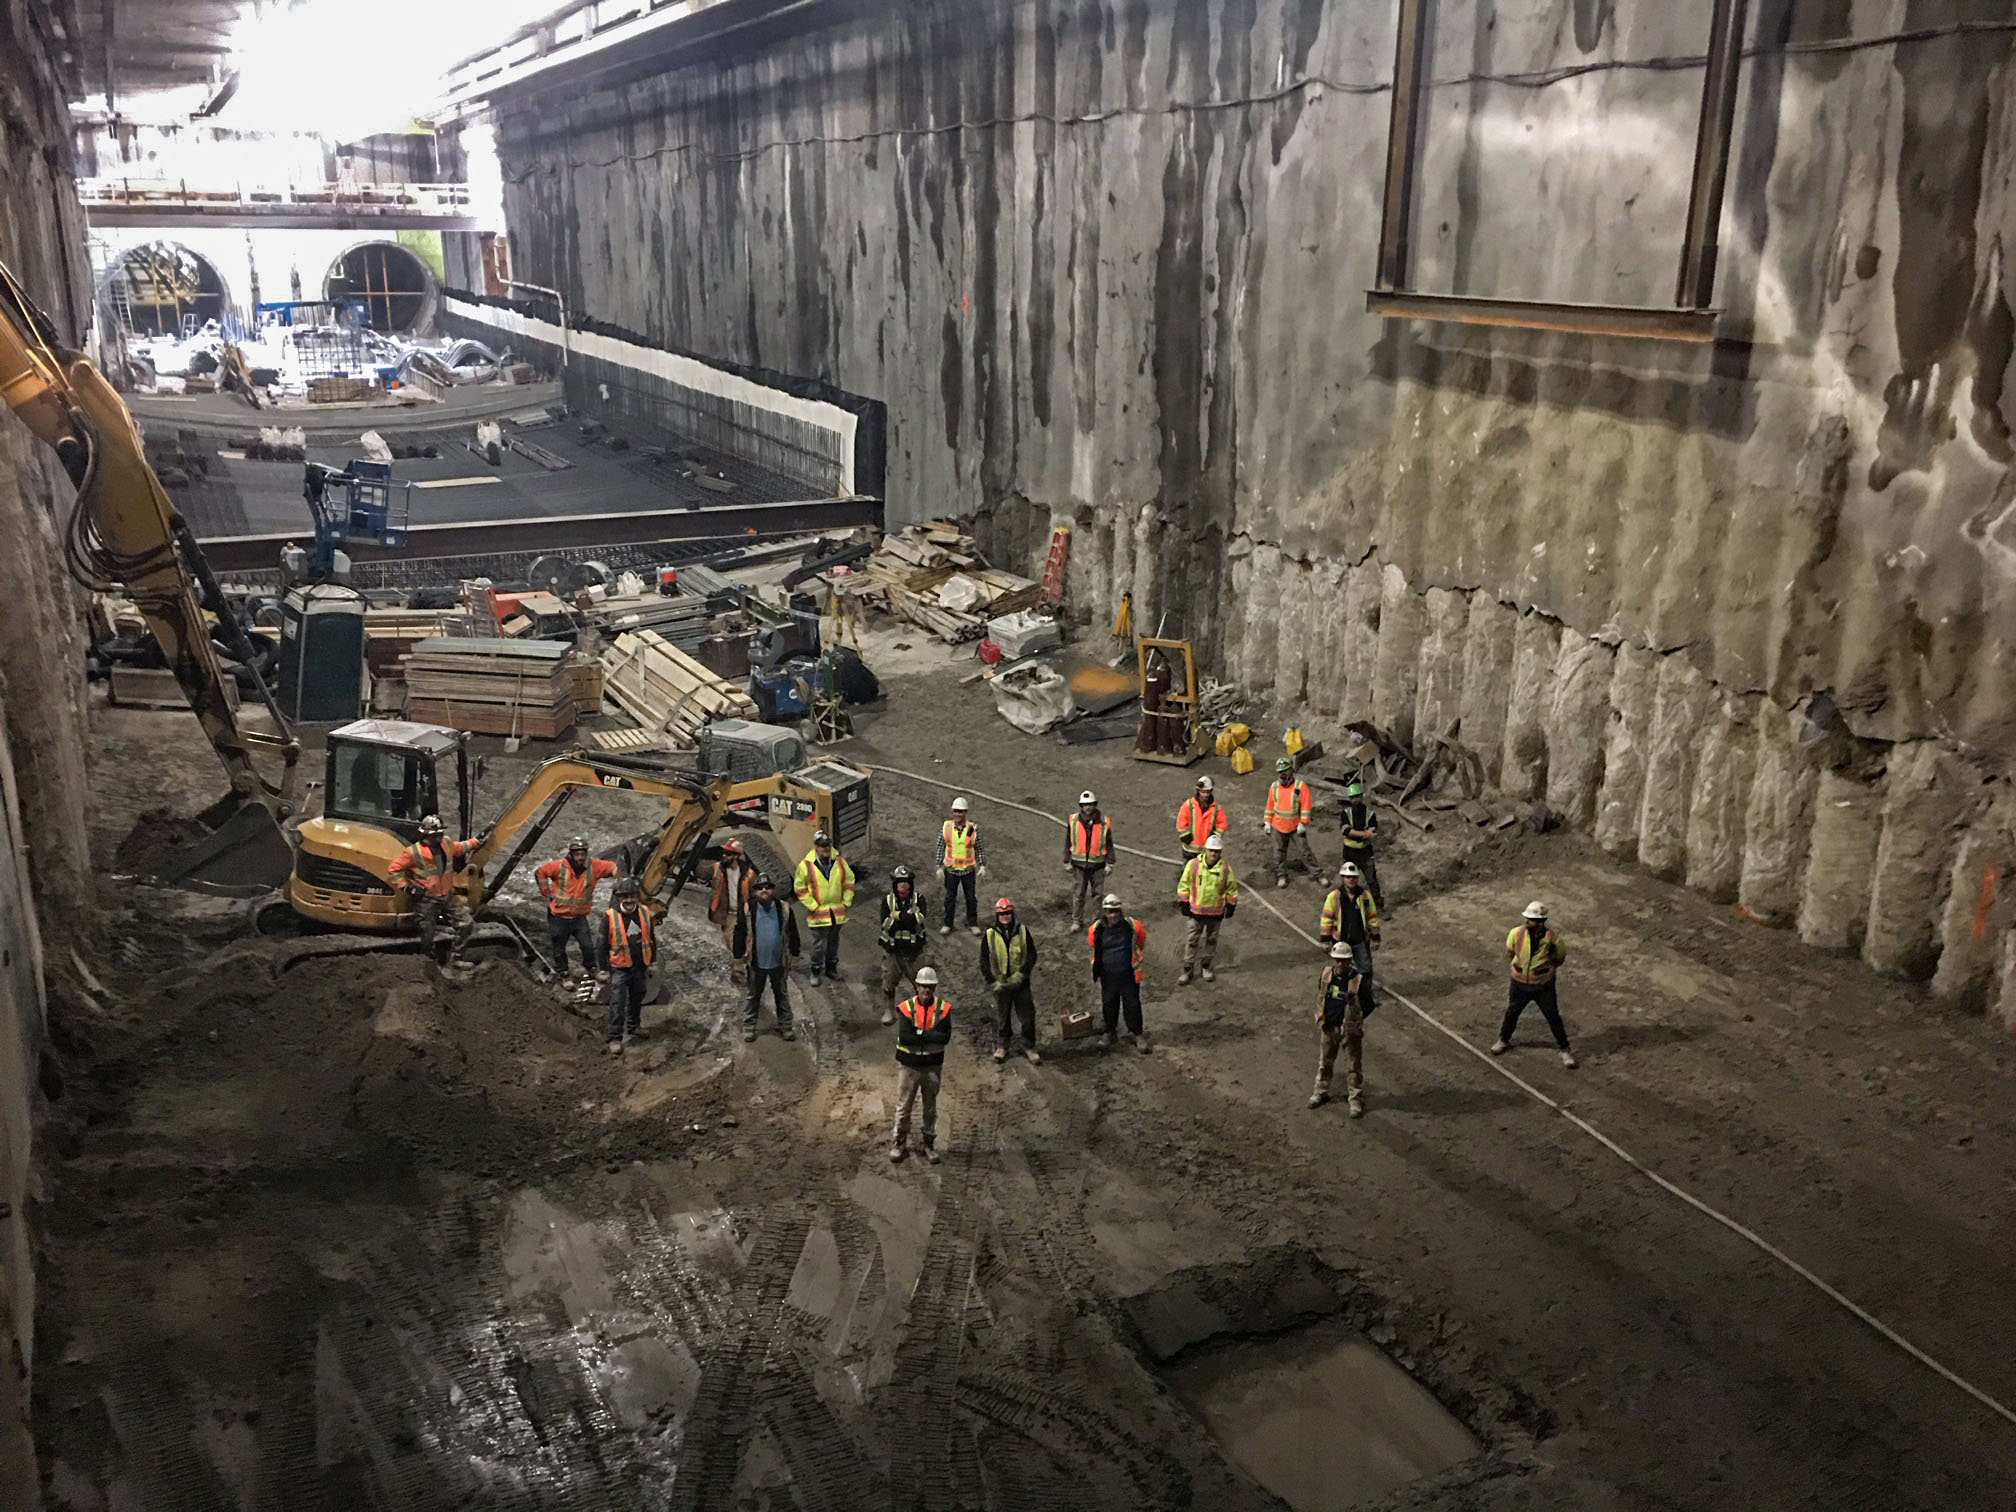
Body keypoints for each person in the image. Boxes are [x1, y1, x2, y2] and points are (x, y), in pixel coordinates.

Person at [387, 813, 487, 966]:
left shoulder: (446, 844)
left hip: (447, 895)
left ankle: (456, 959)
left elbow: (460, 848)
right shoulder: (413, 852)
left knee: (466, 923)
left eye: (440, 834)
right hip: (426, 899)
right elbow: (394, 869)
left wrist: (477, 841)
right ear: (425, 834)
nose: (439, 837)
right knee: (427, 933)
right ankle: (429, 962)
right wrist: (407, 887)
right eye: (435, 835)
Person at [1494, 900, 1576, 1067]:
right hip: (1519, 984)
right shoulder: (1516, 933)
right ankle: (1504, 1040)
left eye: (1530, 919)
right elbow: (1510, 952)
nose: (1526, 921)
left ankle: (1564, 1049)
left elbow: (1559, 958)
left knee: (1552, 1016)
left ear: (1540, 922)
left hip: (1542, 986)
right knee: (1512, 1012)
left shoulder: (1553, 940)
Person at [534, 836, 619, 977]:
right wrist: (546, 891)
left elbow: (612, 867)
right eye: (577, 854)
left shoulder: (594, 866)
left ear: (586, 853)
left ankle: (591, 967)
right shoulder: (559, 866)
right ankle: (563, 972)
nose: (580, 857)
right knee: (559, 948)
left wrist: (618, 875)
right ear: (571, 854)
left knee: (587, 946)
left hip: (579, 917)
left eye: (582, 854)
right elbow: (540, 872)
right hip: (558, 917)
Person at [891, 966, 951, 1164]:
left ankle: (929, 1144)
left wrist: (919, 1034)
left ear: (934, 988)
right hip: (909, 1066)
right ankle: (899, 1142)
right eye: (923, 987)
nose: (926, 991)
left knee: (930, 1108)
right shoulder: (906, 1008)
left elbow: (945, 1037)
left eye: (930, 987)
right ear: (916, 987)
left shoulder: (943, 1008)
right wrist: (928, 1036)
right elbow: (906, 1038)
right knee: (904, 1107)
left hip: (932, 1066)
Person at [733, 875, 800, 1042]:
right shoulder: (749, 909)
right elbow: (740, 931)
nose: (764, 890)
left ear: (772, 889)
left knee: (782, 995)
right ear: (755, 891)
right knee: (753, 995)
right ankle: (749, 1027)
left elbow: (792, 930)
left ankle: (786, 1026)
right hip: (756, 962)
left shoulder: (784, 908)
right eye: (760, 887)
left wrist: (795, 951)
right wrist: (738, 952)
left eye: (767, 887)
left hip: (778, 962)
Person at [1309, 941, 1370, 1116]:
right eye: (1338, 960)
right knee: (1325, 1062)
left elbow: (1367, 1004)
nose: (1340, 964)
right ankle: (1320, 1091)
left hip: (1350, 1032)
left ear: (1350, 960)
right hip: (1328, 1026)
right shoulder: (1326, 974)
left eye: (1344, 961)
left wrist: (1353, 1022)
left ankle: (1355, 1099)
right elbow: (1321, 994)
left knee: (1353, 1066)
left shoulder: (1359, 981)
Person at [597, 877, 655, 1054]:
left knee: (637, 997)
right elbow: (600, 945)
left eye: (632, 896)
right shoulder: (610, 916)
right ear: (619, 898)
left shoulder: (645, 912)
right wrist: (604, 969)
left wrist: (653, 962)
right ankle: (615, 1037)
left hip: (639, 966)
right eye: (625, 897)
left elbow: (651, 939)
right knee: (618, 1002)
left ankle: (634, 1026)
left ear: (637, 897)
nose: (629, 901)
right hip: (620, 967)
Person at [981, 896, 1041, 1064]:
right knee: (1003, 1017)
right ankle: (1003, 1046)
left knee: (1027, 1016)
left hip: (1021, 984)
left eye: (1007, 913)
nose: (1005, 917)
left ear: (1012, 913)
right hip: (1002, 985)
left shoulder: (1022, 931)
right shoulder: (990, 935)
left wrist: (1022, 974)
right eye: (1002, 914)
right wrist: (993, 982)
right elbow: (984, 961)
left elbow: (1031, 955)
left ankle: (1029, 1046)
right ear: (997, 916)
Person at [1087, 892, 1149, 1052]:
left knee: (1132, 1004)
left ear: (1120, 910)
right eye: (1110, 912)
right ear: (1104, 912)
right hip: (1107, 975)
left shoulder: (1133, 926)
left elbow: (1140, 941)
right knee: (1109, 1004)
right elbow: (1093, 945)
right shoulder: (1096, 929)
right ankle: (1109, 1031)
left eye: (1116, 911)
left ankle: (1137, 1033)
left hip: (1128, 974)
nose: (1113, 915)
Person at [1318, 861, 1382, 1013]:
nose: (1350, 880)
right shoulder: (1334, 897)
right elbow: (1326, 918)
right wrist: (1325, 939)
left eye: (1353, 877)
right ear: (1342, 878)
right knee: (1343, 970)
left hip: (1359, 940)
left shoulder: (1365, 897)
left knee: (1365, 970)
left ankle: (1366, 999)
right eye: (1347, 877)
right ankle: (1343, 997)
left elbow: (1372, 917)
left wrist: (1375, 936)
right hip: (1341, 941)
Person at [793, 829, 855, 983]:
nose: (825, 849)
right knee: (818, 946)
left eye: (827, 845)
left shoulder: (839, 861)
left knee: (833, 944)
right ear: (816, 847)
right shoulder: (805, 865)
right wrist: (813, 905)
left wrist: (846, 901)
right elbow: (799, 888)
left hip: (836, 913)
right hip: (818, 914)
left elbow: (849, 880)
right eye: (822, 846)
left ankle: (831, 968)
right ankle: (815, 970)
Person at [1176, 832, 1239, 984]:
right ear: (1205, 850)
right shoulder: (1193, 865)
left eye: (1217, 851)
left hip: (1215, 914)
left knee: (1211, 941)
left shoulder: (1225, 869)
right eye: (1211, 850)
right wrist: (1184, 903)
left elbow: (1231, 889)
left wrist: (1231, 906)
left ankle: (1206, 967)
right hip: (1195, 913)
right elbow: (1183, 885)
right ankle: (1188, 969)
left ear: (1220, 852)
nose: (1213, 854)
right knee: (1192, 941)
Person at [877, 864, 930, 1026]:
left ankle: (921, 1013)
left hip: (914, 951)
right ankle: (889, 1010)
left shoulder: (919, 899)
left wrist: (898, 917)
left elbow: (919, 919)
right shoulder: (887, 901)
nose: (903, 885)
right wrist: (906, 918)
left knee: (921, 983)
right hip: (893, 950)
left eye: (906, 882)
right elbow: (886, 923)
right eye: (900, 882)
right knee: (888, 981)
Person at [1063, 789, 1116, 929]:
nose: (1087, 807)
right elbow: (1068, 841)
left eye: (1090, 804)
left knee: (1098, 896)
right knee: (1078, 894)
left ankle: (1096, 922)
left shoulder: (1104, 823)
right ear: (1081, 806)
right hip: (1079, 866)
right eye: (1085, 805)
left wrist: (1110, 863)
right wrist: (1066, 861)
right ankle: (1076, 921)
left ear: (1095, 805)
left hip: (1098, 866)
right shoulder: (1073, 821)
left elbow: (1109, 843)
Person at [1262, 757, 1318, 887]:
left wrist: (1303, 823)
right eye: (1280, 771)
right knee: (1278, 853)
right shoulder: (1274, 787)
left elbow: (1306, 805)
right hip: (1278, 826)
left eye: (1285, 770)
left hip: (1294, 826)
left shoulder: (1300, 786)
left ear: (1291, 770)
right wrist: (1267, 822)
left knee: (1304, 851)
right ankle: (1281, 875)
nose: (1283, 774)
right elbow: (1270, 805)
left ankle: (1317, 874)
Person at [707, 838, 757, 980]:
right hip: (727, 914)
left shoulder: (749, 874)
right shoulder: (718, 869)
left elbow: (754, 894)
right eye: (724, 852)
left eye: (728, 853)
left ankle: (739, 971)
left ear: (736, 855)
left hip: (741, 914)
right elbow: (702, 871)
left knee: (739, 943)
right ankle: (742, 967)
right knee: (730, 942)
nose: (724, 856)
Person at [937, 796, 985, 936]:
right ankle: (948, 923)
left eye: (961, 812)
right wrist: (939, 866)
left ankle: (973, 923)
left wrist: (982, 865)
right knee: (949, 898)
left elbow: (979, 847)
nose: (958, 814)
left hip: (967, 871)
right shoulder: (947, 828)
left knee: (970, 898)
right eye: (956, 811)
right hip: (951, 871)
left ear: (965, 812)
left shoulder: (971, 829)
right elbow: (940, 846)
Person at [1339, 776, 1382, 911]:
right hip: (1350, 854)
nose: (1355, 800)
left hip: (1365, 852)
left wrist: (1362, 833)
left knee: (1372, 880)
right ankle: (1350, 906)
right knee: (1350, 882)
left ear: (1361, 797)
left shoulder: (1370, 814)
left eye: (1357, 796)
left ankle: (1379, 906)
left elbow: (1374, 831)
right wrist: (1364, 834)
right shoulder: (1345, 813)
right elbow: (1346, 831)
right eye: (1352, 797)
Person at [1175, 775, 1228, 870]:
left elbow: (1221, 825)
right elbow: (1181, 822)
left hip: (1206, 849)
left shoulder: (1216, 808)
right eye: (1203, 792)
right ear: (1198, 791)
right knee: (1189, 872)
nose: (1205, 795)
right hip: (1190, 849)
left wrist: (1214, 837)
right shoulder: (1189, 805)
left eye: (1207, 792)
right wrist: (1186, 836)